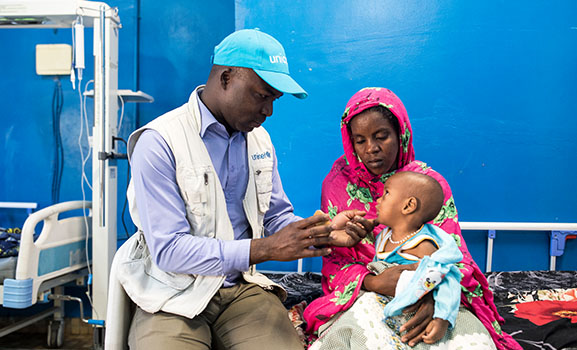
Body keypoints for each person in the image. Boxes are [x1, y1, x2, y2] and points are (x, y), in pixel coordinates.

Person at [113, 29, 369, 350]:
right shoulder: (159, 142)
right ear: (225, 78)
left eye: (274, 100)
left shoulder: (258, 140)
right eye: (262, 96)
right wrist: (266, 249)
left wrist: (322, 233)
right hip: (172, 294)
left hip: (239, 289)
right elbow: (169, 251)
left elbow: (277, 218)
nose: (269, 111)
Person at [303, 87, 522, 349]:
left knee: (469, 338)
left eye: (381, 136)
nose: (371, 149)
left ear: (401, 134)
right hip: (364, 292)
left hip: (434, 290)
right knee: (357, 336)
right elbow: (335, 262)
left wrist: (428, 295)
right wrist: (374, 283)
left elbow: (454, 258)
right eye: (359, 140)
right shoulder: (338, 183)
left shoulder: (427, 186)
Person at [371, 171, 464, 344]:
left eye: (386, 194)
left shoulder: (422, 245)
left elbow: (447, 279)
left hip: (414, 307)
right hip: (385, 299)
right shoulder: (384, 235)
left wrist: (442, 318)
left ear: (408, 206)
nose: (378, 200)